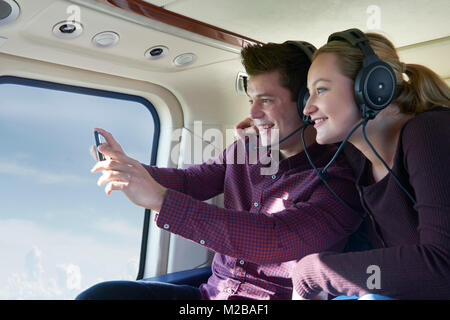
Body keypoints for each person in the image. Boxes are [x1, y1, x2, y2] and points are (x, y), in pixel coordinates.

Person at [76, 41, 363, 300]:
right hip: (210, 295)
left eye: (266, 100)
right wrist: (131, 170)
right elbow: (191, 182)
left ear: (305, 104)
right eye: (251, 100)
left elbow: (273, 239)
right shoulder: (246, 150)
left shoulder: (339, 181)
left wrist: (161, 200)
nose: (253, 113)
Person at [288, 29, 450, 299]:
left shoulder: (430, 132)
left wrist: (313, 271)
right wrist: (258, 142)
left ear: (374, 86)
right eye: (308, 94)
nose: (307, 108)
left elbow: (443, 266)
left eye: (321, 89)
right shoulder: (356, 155)